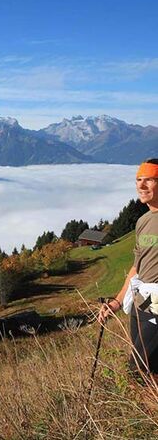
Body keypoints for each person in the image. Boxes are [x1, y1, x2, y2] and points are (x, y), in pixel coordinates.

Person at [98, 158, 158, 374]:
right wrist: (116, 302)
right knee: (151, 368)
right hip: (140, 301)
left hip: (157, 304)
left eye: (149, 180)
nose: (141, 186)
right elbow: (137, 267)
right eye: (138, 180)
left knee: (139, 369)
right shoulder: (143, 221)